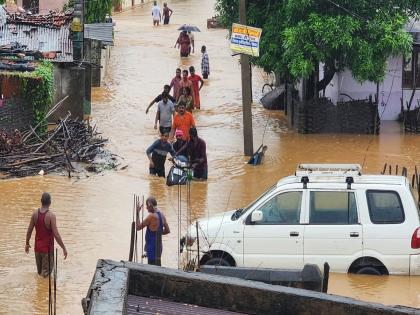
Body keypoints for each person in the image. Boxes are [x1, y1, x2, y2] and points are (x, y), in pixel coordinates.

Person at [25, 193, 68, 277]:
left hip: (37, 249)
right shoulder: (51, 216)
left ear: (41, 201)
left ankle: (39, 289)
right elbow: (56, 235)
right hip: (47, 251)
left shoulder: (34, 214)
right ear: (50, 202)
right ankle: (43, 290)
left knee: (40, 273)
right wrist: (64, 248)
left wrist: (27, 243)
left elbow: (29, 230)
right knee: (46, 277)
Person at [136, 196, 170, 266]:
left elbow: (138, 227)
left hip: (151, 248)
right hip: (159, 247)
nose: (146, 208)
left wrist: (137, 213)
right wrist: (158, 233)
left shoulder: (151, 216)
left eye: (147, 206)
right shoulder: (162, 215)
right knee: (157, 266)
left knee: (151, 268)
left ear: (150, 204)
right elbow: (167, 230)